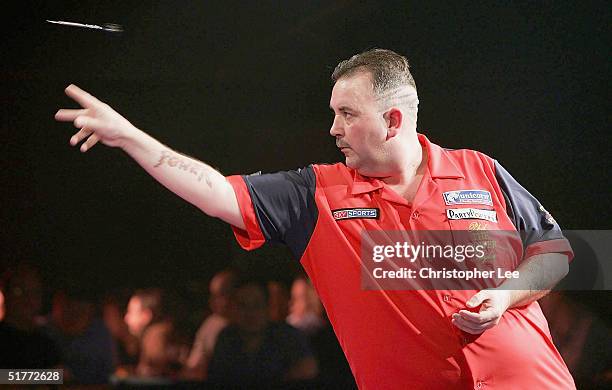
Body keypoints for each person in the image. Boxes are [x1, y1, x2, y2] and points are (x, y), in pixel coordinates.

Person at [55, 48, 575, 389]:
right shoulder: (317, 194)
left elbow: (555, 253)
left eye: (347, 114)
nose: (333, 128)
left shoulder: (479, 169)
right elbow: (216, 193)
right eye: (333, 113)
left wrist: (506, 294)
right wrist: (129, 138)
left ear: (393, 120)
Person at [207, 279, 318, 386]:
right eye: (243, 306)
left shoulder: (287, 336)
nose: (250, 313)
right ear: (234, 308)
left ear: (267, 307)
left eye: (257, 305)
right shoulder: (227, 338)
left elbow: (308, 369)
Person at [183, 269, 236, 380]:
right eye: (212, 295)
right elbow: (195, 367)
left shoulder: (255, 326)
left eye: (219, 295)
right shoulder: (211, 325)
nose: (212, 301)